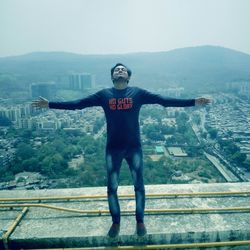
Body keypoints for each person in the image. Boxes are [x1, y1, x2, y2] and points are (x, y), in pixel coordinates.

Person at [32, 63, 211, 238]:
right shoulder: (104, 95)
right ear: (112, 76)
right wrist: (50, 105)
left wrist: (193, 102)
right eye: (117, 69)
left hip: (134, 148)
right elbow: (79, 103)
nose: (119, 70)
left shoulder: (138, 93)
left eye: (123, 69)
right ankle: (116, 222)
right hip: (113, 148)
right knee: (112, 188)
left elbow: (163, 100)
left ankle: (140, 220)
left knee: (139, 186)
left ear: (128, 76)